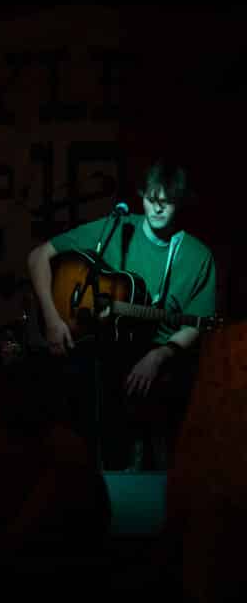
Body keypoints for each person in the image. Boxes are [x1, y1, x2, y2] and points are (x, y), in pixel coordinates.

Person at [27, 159, 217, 470]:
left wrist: (159, 356)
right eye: (151, 199)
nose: (157, 209)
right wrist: (51, 319)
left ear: (179, 202)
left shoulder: (198, 256)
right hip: (102, 359)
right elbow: (38, 256)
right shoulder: (119, 227)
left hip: (159, 363)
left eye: (166, 202)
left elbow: (199, 322)